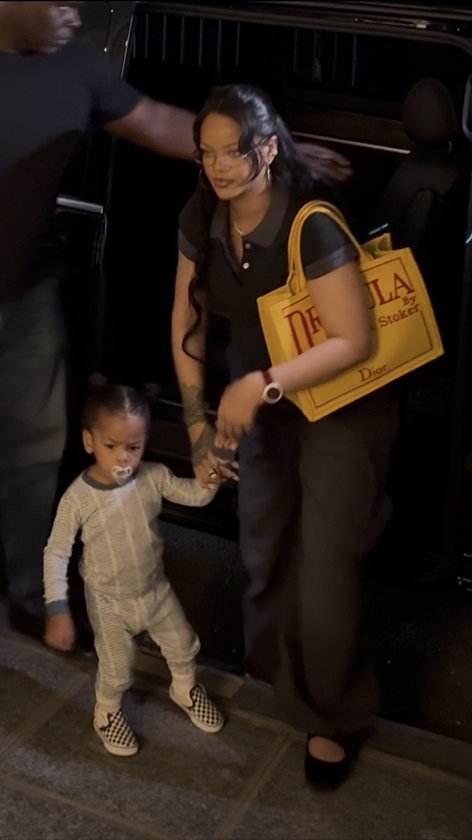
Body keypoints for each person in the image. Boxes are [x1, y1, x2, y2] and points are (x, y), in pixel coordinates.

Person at [0, 1, 351, 641]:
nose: (75, 13)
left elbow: (159, 122)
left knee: (34, 447)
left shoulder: (78, 64)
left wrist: (267, 151)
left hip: (22, 294)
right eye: (59, 1)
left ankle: (29, 593)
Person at [171, 84, 399, 789]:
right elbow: (187, 322)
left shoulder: (310, 221)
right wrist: (197, 423)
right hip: (262, 401)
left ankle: (331, 718)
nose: (219, 166)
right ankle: (279, 677)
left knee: (324, 563)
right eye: (207, 153)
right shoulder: (203, 212)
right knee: (264, 543)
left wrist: (259, 385)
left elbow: (354, 340)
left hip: (341, 404)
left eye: (234, 152)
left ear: (268, 150)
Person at [43, 382, 225, 756]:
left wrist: (212, 478)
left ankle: (184, 688)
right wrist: (57, 607)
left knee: (183, 644)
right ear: (90, 441)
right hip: (108, 599)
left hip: (155, 589)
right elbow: (57, 551)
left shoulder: (153, 476)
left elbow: (193, 494)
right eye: (111, 446)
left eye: (134, 447)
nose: (123, 458)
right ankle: (107, 712)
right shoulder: (79, 498)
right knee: (117, 666)